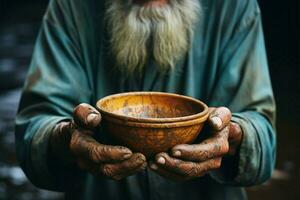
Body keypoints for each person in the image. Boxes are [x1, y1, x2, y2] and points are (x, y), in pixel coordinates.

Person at [15, 0, 276, 199]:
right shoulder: (71, 7)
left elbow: (263, 134)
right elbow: (34, 129)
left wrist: (232, 135)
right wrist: (65, 137)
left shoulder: (234, 7)